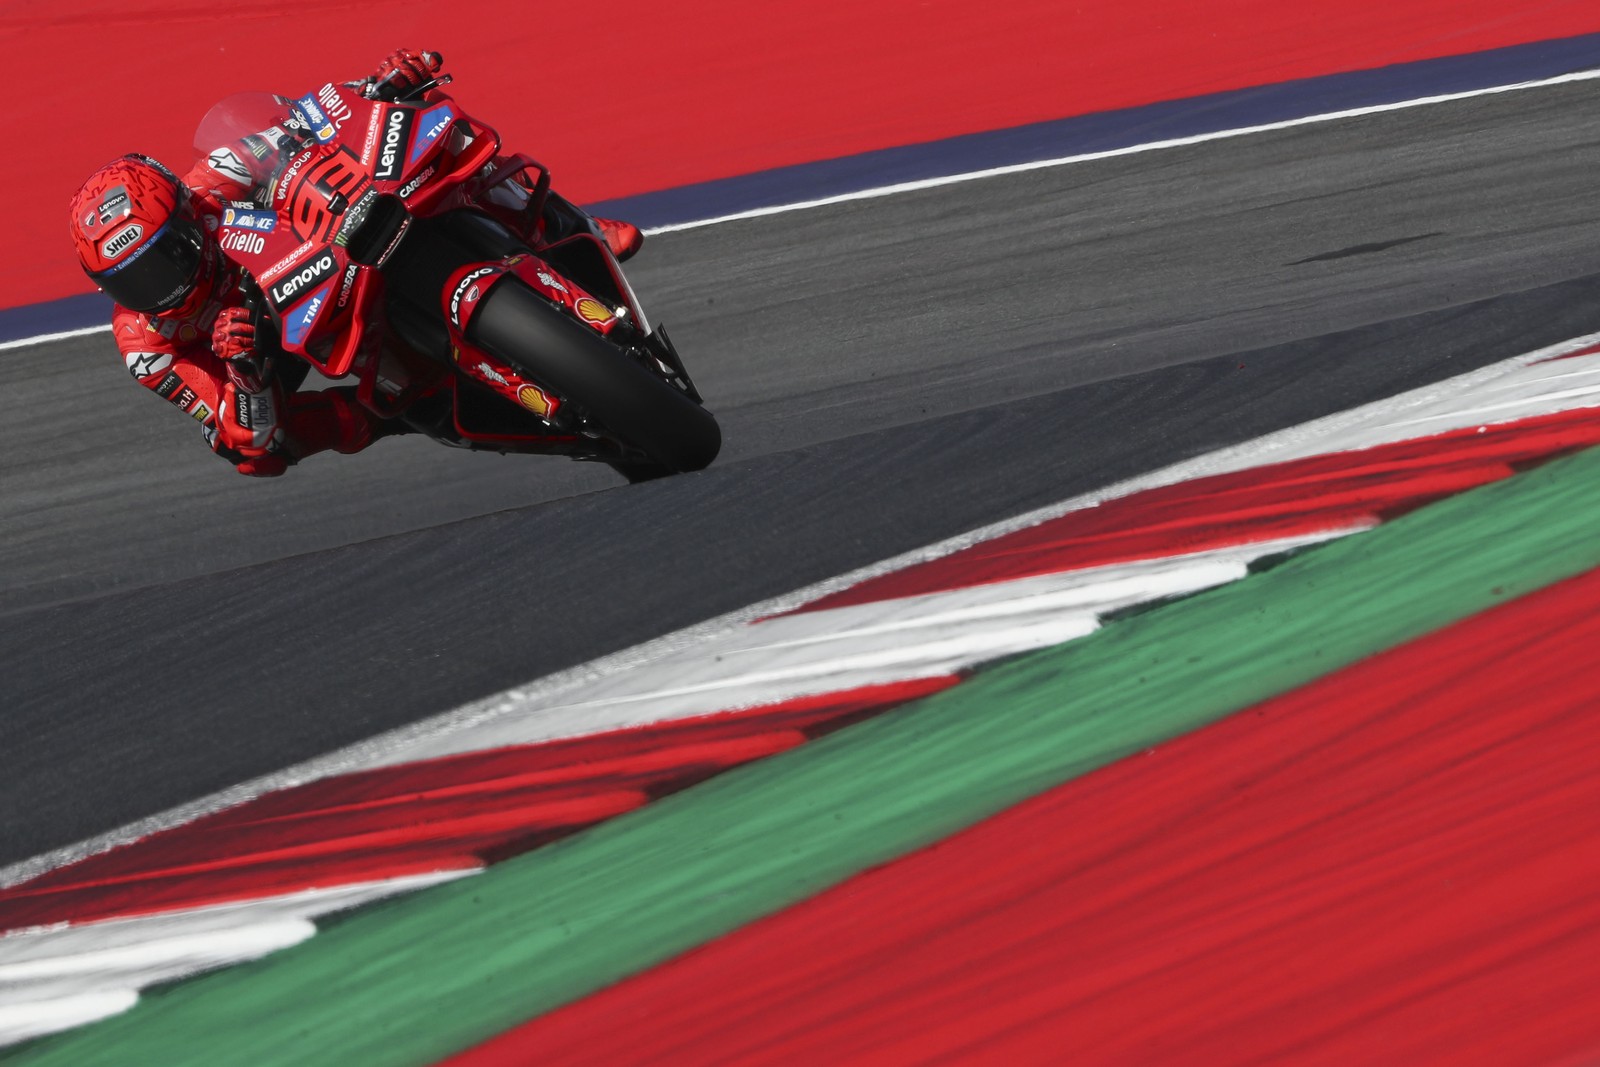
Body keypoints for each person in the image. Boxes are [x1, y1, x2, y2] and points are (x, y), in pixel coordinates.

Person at [66, 49, 644, 477]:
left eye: (166, 259)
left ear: (187, 214)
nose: (162, 288)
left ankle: (569, 225)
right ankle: (393, 411)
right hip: (256, 342)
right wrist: (243, 371)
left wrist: (379, 86)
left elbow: (308, 124)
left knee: (439, 133)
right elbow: (240, 432)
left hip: (312, 253)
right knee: (258, 456)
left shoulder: (216, 177)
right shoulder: (147, 345)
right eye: (135, 282)